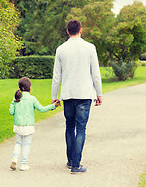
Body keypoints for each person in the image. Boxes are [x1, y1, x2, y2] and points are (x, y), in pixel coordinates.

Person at [51, 19, 103, 174]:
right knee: (81, 128)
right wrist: (99, 94)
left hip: (68, 94)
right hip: (84, 94)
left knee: (69, 127)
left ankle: (70, 161)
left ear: (67, 31)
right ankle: (76, 165)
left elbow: (56, 76)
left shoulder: (60, 49)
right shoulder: (90, 48)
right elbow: (96, 74)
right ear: (81, 30)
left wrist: (55, 96)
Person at [9, 77, 60, 171]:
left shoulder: (16, 99)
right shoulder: (32, 99)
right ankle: (23, 164)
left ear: (20, 87)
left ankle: (14, 158)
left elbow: (11, 112)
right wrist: (53, 106)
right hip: (28, 126)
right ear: (29, 87)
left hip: (18, 125)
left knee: (18, 143)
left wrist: (13, 104)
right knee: (26, 144)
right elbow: (42, 109)